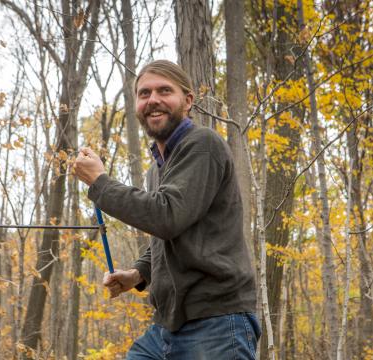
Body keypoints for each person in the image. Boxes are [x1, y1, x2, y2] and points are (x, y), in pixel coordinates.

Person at [74, 60, 260, 359]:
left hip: (215, 323)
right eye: (144, 93)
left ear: (187, 101)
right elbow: (171, 234)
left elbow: (167, 216)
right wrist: (138, 274)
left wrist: (99, 182)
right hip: (166, 326)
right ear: (136, 105)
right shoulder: (156, 170)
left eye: (164, 91)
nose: (153, 100)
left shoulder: (203, 144)